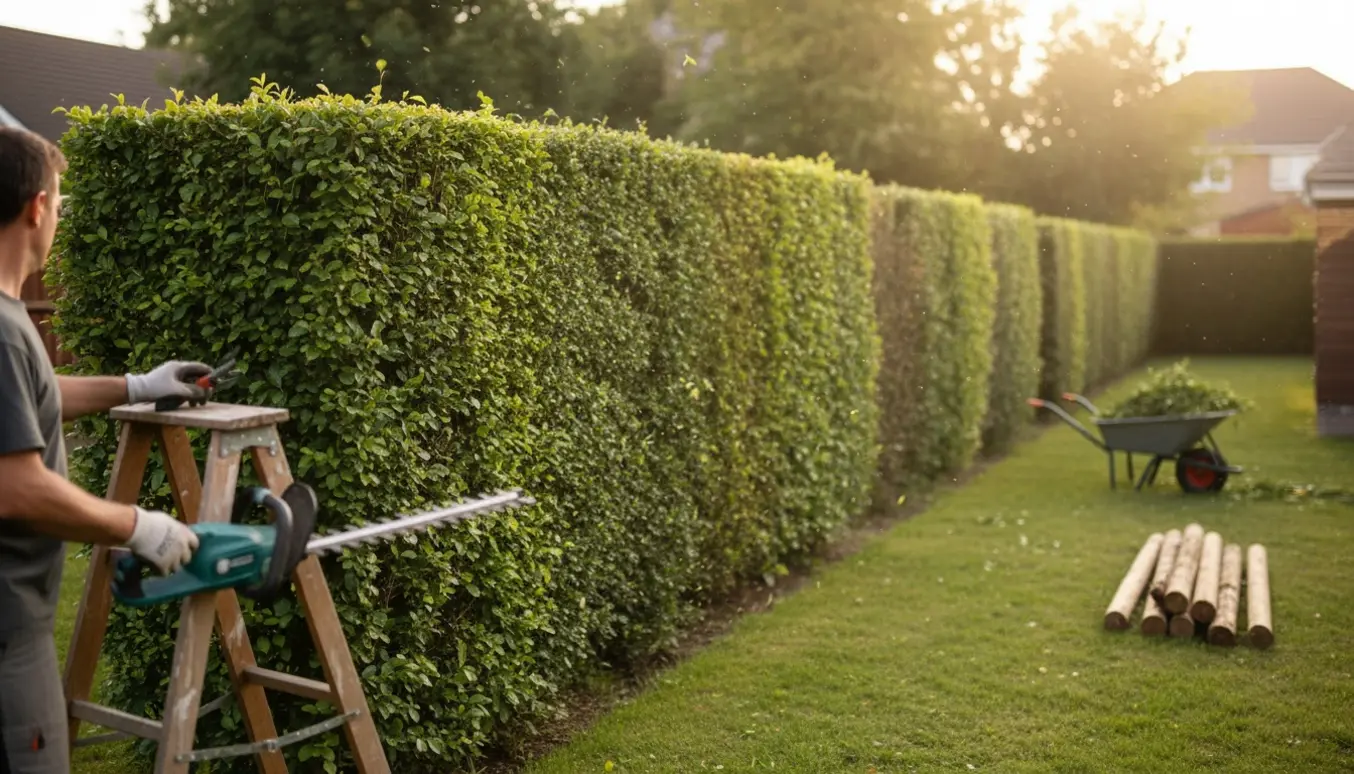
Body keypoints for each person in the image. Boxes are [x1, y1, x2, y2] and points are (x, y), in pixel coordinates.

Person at [0, 126, 208, 773]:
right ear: (37, 206)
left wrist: (139, 386)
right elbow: (16, 488)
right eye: (59, 206)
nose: (57, 219)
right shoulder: (4, 333)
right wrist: (138, 525)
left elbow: (29, 400)